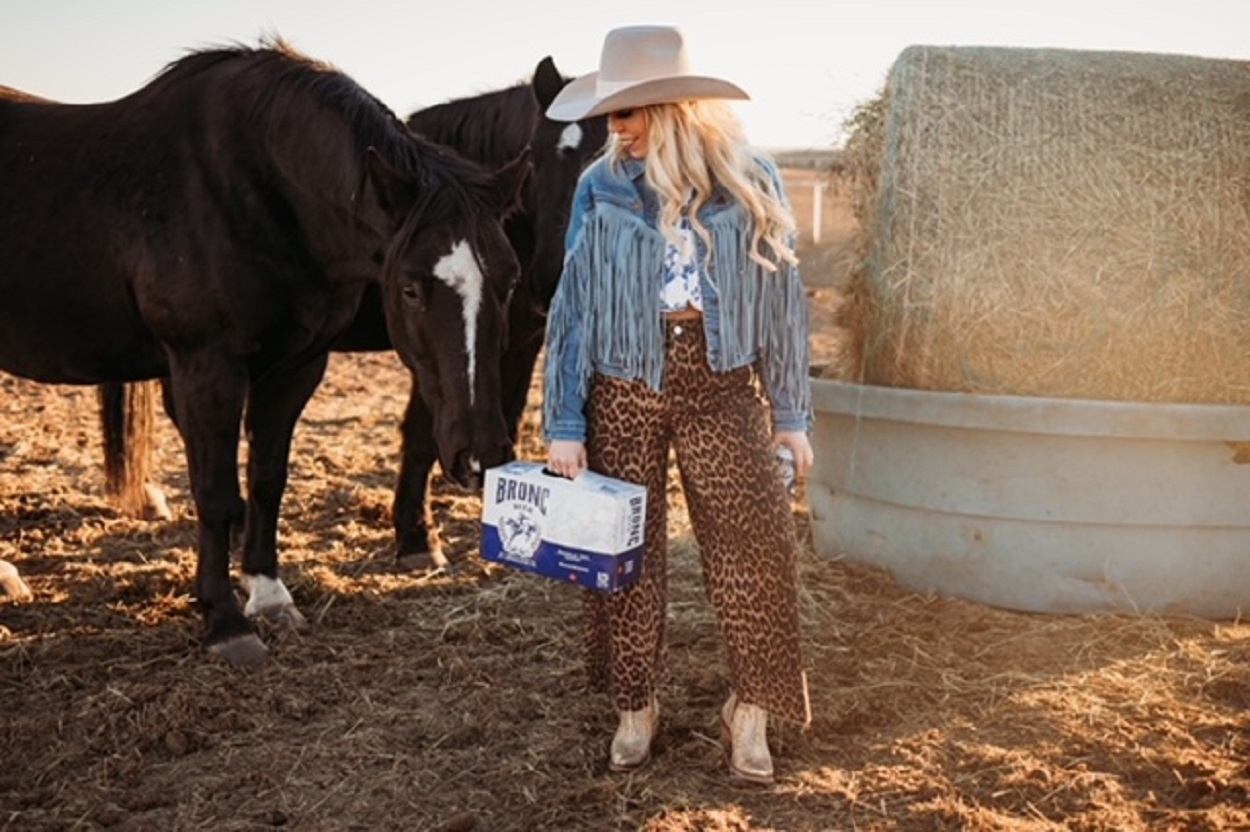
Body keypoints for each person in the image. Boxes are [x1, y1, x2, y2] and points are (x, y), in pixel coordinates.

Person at [541, 25, 814, 784]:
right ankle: (637, 706)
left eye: (626, 114)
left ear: (669, 110)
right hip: (623, 384)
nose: (613, 129)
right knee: (624, 556)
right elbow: (574, 309)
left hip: (723, 384)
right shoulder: (598, 186)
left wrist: (790, 417)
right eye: (610, 115)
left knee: (754, 551)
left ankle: (750, 711)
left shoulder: (749, 177)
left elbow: (782, 303)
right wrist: (565, 423)